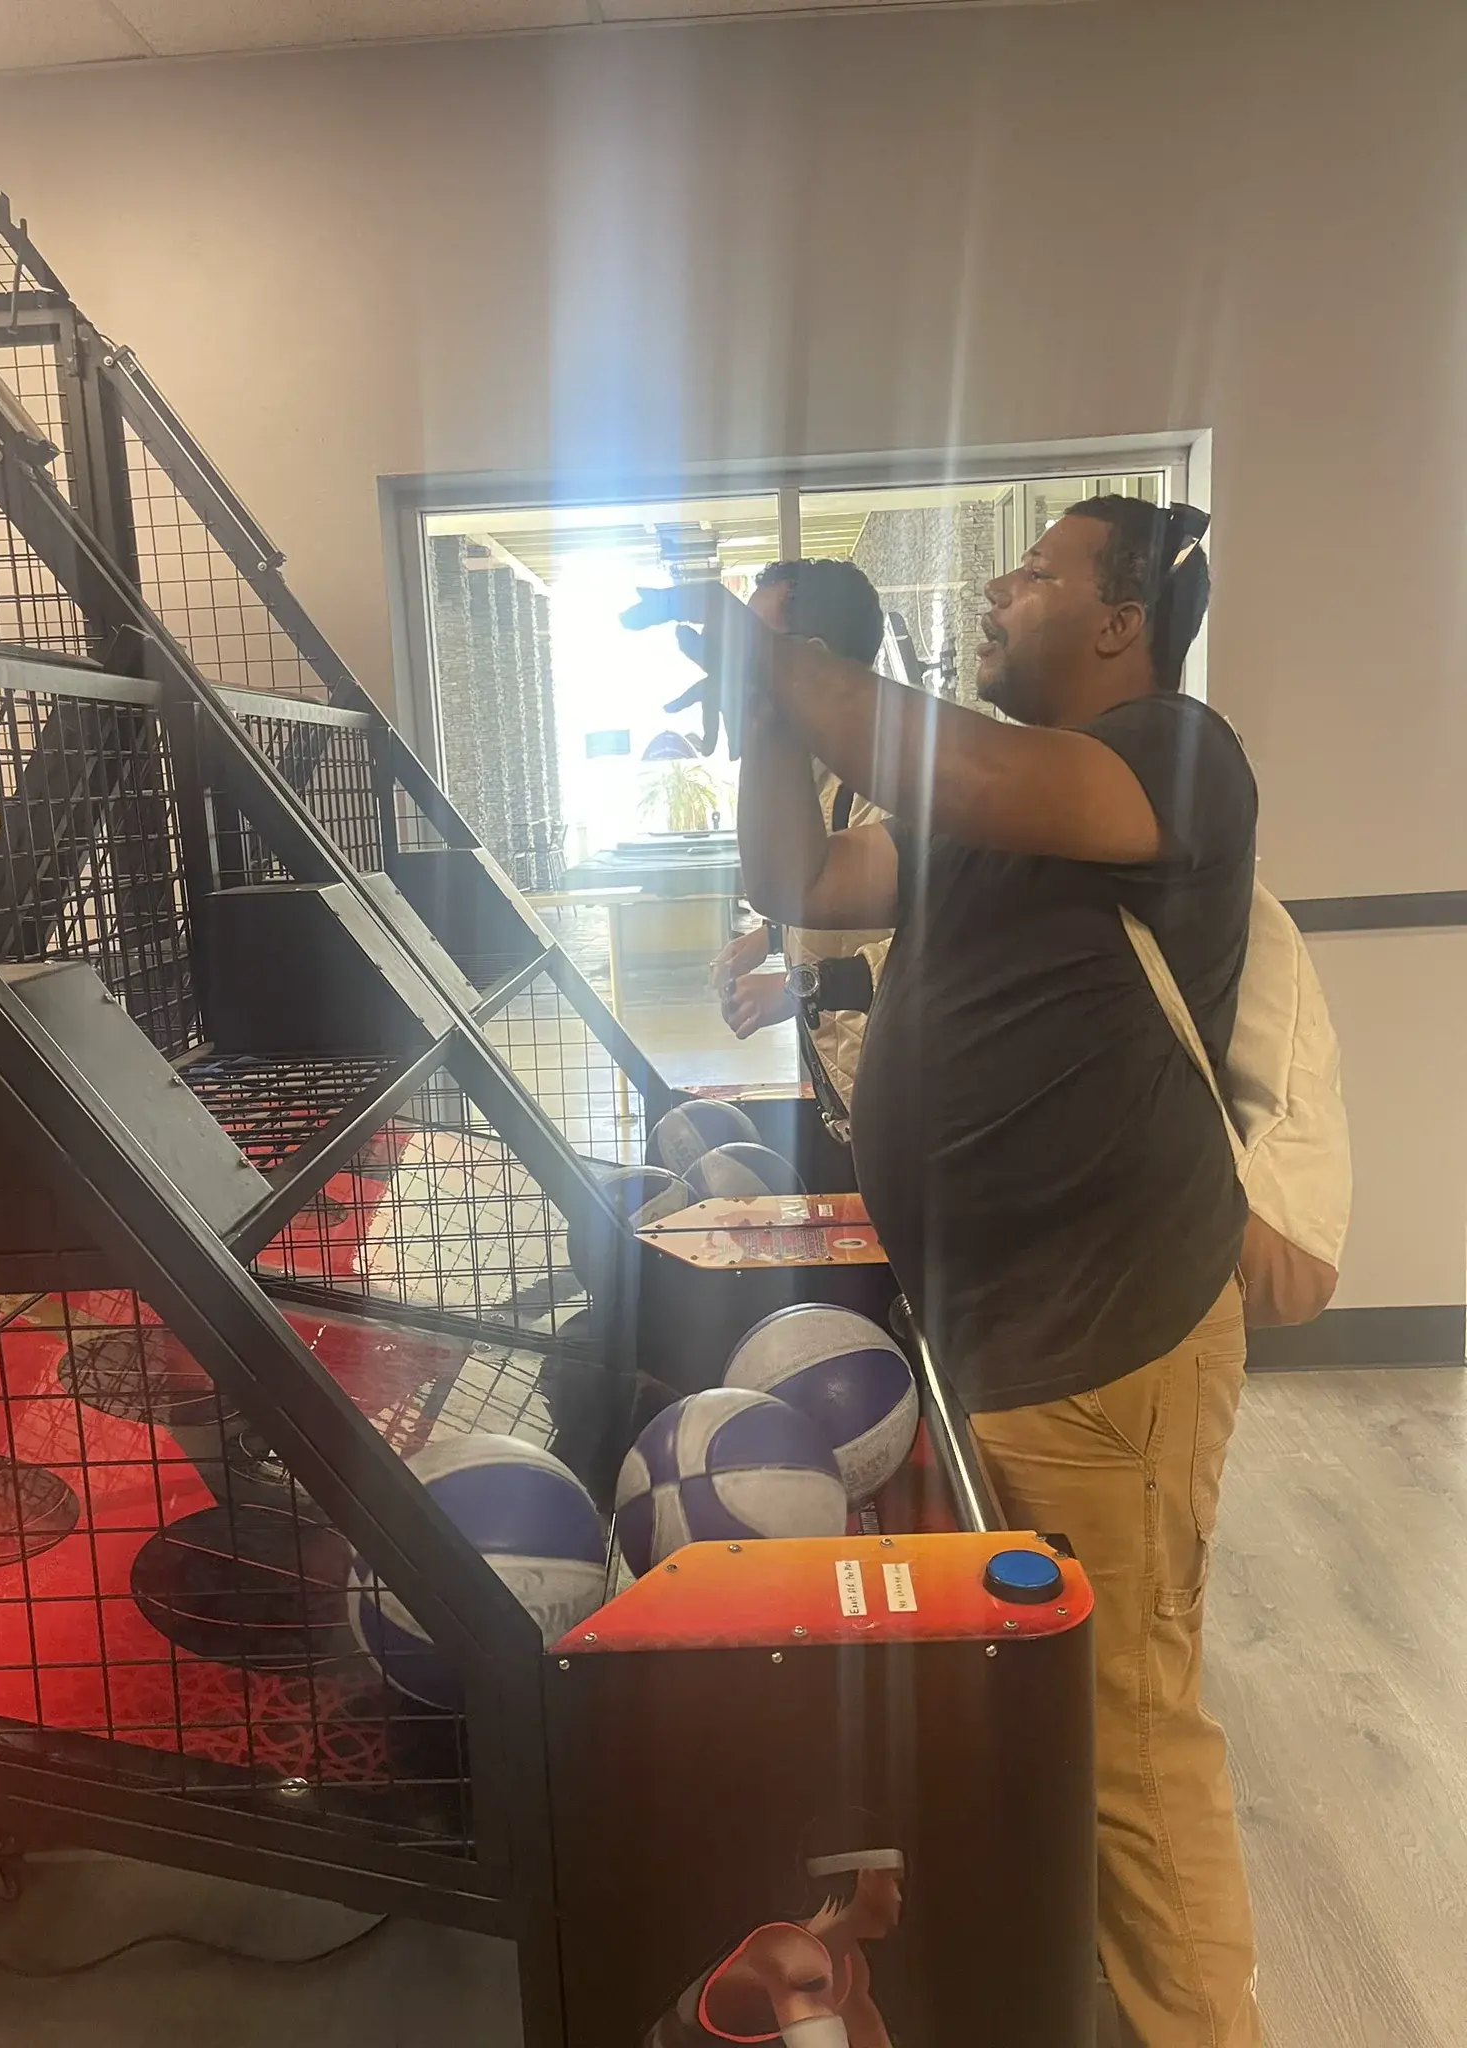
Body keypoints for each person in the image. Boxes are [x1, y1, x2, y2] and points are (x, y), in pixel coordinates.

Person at [625, 497, 1260, 2048]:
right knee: (1051, 1709)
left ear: (1120, 623)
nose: (997, 588)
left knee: (1130, 1739)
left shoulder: (1176, 752)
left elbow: (962, 765)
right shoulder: (977, 812)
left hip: (1110, 1335)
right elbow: (799, 875)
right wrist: (769, 722)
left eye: (1036, 573)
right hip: (1002, 1334)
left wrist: (783, 659)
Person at [702, 559, 891, 1106]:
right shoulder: (814, 768)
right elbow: (846, 898)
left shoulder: (882, 781)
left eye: (754, 645)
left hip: (905, 1093)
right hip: (855, 1088)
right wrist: (771, 938)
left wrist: (796, 989)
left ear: (813, 658)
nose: (735, 664)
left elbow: (932, 952)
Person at [645, 1818, 906, 2048]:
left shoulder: (849, 1967)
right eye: (894, 1880)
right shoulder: (791, 1953)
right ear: (866, 1877)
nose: (899, 1897)